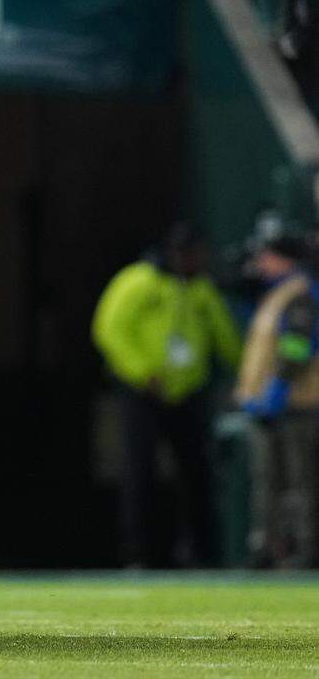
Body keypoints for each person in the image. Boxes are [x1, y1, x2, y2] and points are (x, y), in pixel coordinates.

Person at [92, 224, 243, 567]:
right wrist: (144, 373)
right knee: (138, 472)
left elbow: (224, 335)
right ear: (174, 254)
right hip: (142, 392)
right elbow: (109, 330)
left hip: (187, 392)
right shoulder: (138, 281)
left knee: (196, 473)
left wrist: (244, 376)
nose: (196, 261)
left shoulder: (200, 289)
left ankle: (201, 553)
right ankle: (139, 554)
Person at [235, 233, 319, 567]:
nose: (262, 263)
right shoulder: (275, 294)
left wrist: (277, 391)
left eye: (268, 256)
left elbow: (298, 346)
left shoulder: (299, 294)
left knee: (300, 481)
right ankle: (267, 549)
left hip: (297, 404)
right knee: (269, 481)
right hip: (272, 405)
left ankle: (307, 550)